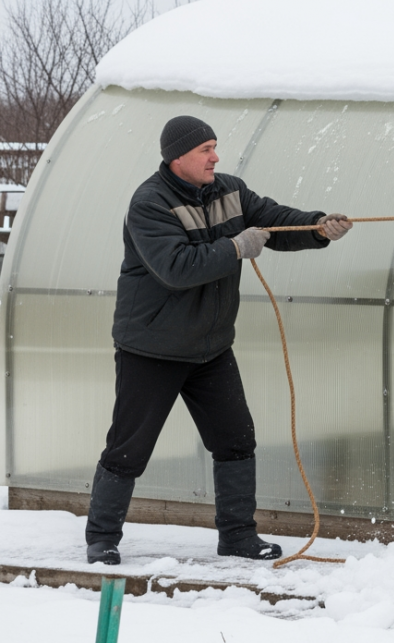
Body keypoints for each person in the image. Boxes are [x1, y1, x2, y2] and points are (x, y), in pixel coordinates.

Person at [85, 115, 354, 565]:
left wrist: (317, 227)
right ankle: (101, 537)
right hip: (151, 348)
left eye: (215, 146)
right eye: (205, 149)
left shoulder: (230, 190)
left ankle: (237, 537)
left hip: (209, 349)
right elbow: (176, 267)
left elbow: (272, 219)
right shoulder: (149, 204)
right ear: (176, 158)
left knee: (236, 439)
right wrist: (235, 248)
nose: (215, 156)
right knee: (129, 448)